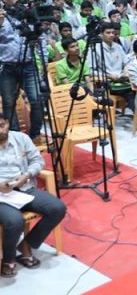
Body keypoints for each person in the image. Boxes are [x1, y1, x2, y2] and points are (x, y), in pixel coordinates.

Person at [0, 117, 67, 278]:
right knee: (15, 221)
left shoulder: (21, 138)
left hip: (24, 188)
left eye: (1, 125)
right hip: (1, 196)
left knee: (57, 208)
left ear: (7, 124)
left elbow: (38, 161)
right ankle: (8, 260)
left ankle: (26, 245)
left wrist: (27, 175)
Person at [0, 0, 45, 141]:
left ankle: (35, 135)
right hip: (7, 67)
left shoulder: (28, 14)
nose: (19, 0)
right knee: (9, 103)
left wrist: (43, 63)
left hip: (28, 64)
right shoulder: (1, 16)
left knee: (37, 100)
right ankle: (15, 137)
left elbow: (40, 38)